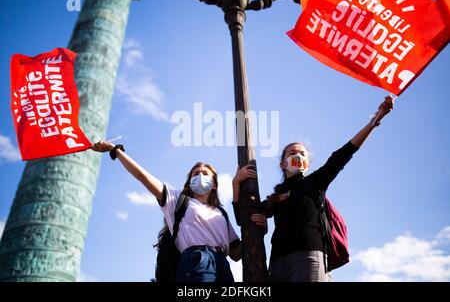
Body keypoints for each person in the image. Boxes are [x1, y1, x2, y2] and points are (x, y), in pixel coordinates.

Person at [232, 96, 394, 282]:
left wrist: (374, 122)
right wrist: (236, 184)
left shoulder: (314, 182)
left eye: (302, 154)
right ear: (283, 163)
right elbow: (242, 217)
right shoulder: (275, 197)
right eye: (293, 153)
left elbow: (343, 154)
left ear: (307, 164)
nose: (298, 155)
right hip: (277, 264)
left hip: (308, 258)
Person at [91, 142, 266, 282]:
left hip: (223, 264)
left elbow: (236, 254)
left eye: (205, 173)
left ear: (214, 184)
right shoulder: (176, 200)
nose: (200, 176)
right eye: (195, 174)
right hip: (196, 260)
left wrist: (257, 231)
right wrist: (115, 150)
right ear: (189, 182)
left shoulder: (221, 213)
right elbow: (141, 175)